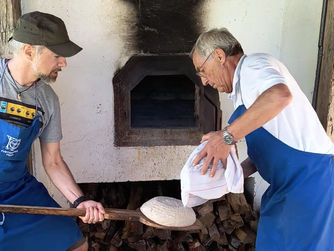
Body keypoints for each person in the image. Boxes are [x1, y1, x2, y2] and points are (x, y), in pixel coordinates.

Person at [190, 28, 334, 250]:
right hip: (287, 185)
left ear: (219, 56)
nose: (205, 81)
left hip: (310, 182)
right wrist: (234, 174)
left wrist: (226, 137)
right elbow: (271, 147)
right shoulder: (241, 91)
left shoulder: (253, 67)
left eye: (202, 71)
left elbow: (280, 96)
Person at [0, 11, 105, 251]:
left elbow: (53, 161)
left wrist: (80, 200)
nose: (63, 63)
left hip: (17, 190)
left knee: (75, 244)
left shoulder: (47, 100)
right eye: (57, 55)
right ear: (29, 51)